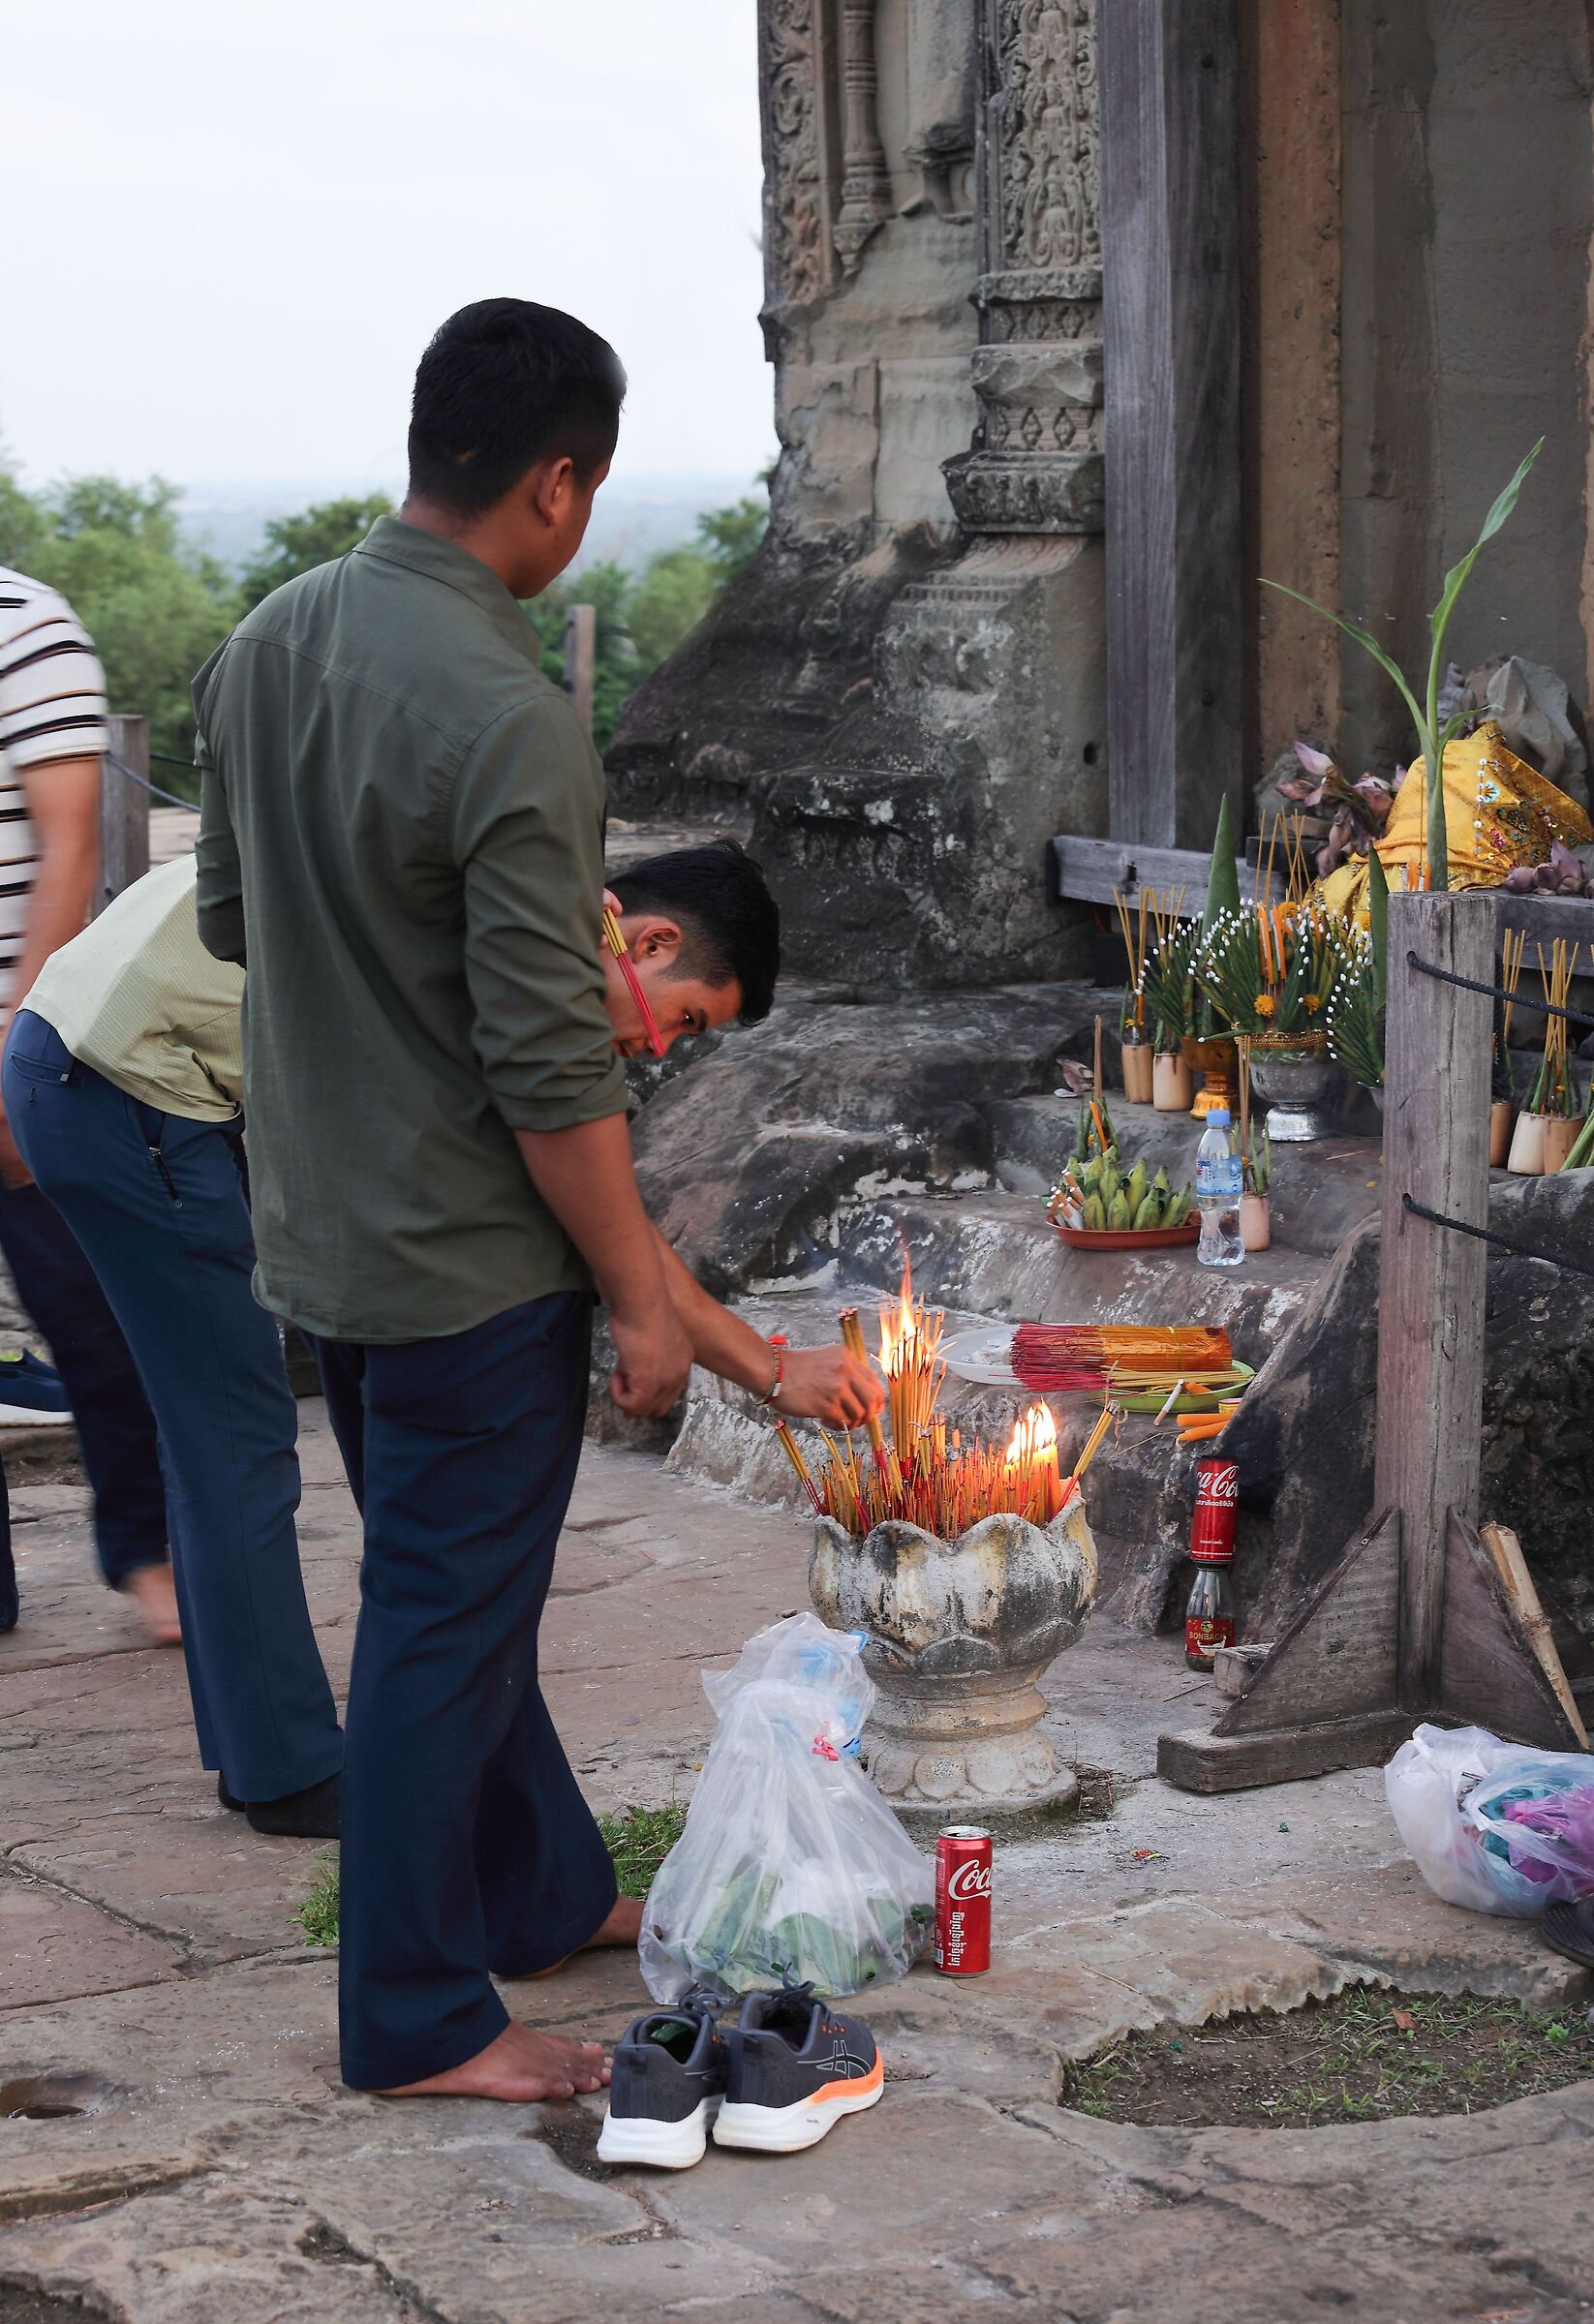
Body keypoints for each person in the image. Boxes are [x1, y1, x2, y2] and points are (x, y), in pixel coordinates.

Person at [193, 294, 869, 2107]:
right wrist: (645, 1303)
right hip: (467, 1255)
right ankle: (417, 2014)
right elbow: (554, 1069)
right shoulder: (508, 705)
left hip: (323, 1235)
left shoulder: (264, 645)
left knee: (456, 1603)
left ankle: (538, 1890)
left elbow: (238, 926)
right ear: (558, 488)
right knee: (437, 1626)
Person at [4, 841, 875, 1842]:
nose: (657, 1049)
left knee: (218, 1430)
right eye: (679, 1018)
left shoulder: (512, 892)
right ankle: (285, 1771)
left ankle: (259, 1754)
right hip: (128, 1085)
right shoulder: (520, 947)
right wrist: (770, 1370)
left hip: (85, 1061)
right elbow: (594, 1197)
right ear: (648, 938)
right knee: (233, 1435)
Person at [0, 565, 175, 1641]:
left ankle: (151, 1549)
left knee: (102, 1310)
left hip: (24, 1043)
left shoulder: (24, 623)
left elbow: (71, 842)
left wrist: (21, 1042)